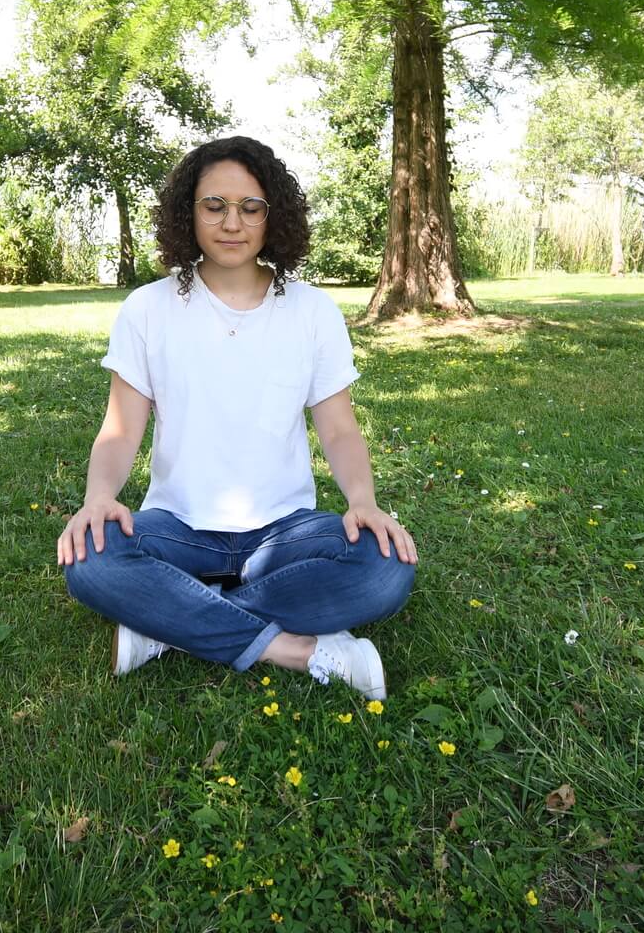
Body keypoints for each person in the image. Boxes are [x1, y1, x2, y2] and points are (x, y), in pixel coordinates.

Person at [58, 135, 417, 700]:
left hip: (285, 531)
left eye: (251, 208)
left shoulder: (313, 311)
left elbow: (340, 428)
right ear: (189, 213)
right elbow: (121, 428)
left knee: (384, 568)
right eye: (214, 206)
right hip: (177, 528)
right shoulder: (147, 308)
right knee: (92, 558)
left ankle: (168, 623)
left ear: (273, 217)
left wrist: (363, 504)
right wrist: (100, 496)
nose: (233, 223)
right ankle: (297, 648)